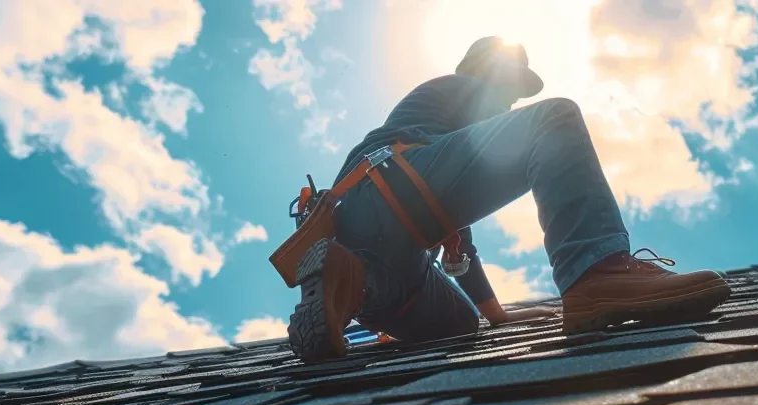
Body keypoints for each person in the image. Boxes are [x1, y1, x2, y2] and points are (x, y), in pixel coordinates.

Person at [286, 37, 730, 363]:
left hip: (371, 235)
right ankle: (599, 273)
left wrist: (496, 317)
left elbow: (455, 227)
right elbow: (510, 149)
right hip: (384, 188)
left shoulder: (440, 122)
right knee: (553, 120)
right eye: (512, 84)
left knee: (460, 324)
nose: (513, 98)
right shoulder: (463, 86)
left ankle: (349, 285)